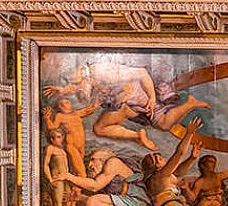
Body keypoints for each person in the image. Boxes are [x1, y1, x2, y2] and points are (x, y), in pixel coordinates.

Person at [43, 62, 208, 152]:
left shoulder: (103, 72)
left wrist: (151, 98)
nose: (75, 88)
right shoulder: (89, 80)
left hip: (138, 93)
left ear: (84, 75)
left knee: (163, 123)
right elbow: (81, 86)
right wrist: (64, 90)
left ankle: (190, 103)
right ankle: (138, 136)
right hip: (124, 103)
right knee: (99, 128)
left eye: (76, 83)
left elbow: (142, 73)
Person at [142, 119, 215, 206]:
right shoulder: (159, 175)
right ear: (156, 167)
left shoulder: (160, 178)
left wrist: (192, 157)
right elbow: (179, 154)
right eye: (159, 159)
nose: (164, 159)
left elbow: (179, 171)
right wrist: (189, 133)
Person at [55, 149, 149, 206]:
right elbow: (107, 202)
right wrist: (81, 198)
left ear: (103, 159)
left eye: (92, 160)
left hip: (136, 205)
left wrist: (69, 177)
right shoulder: (106, 176)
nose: (89, 165)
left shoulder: (113, 162)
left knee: (92, 202)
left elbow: (95, 186)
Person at [43, 96, 100, 176]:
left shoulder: (76, 114)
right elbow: (53, 128)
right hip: (71, 146)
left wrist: (96, 102)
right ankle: (78, 187)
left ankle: (73, 188)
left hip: (81, 146)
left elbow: (88, 110)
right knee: (82, 173)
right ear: (60, 106)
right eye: (66, 102)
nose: (69, 104)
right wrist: (47, 119)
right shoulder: (59, 116)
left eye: (69, 102)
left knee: (76, 172)